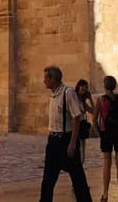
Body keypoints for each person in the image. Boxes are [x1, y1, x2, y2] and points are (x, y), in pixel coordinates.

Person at [39, 65, 92, 202]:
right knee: (48, 179)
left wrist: (73, 143)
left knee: (78, 178)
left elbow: (76, 118)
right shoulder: (53, 94)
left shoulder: (68, 93)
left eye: (46, 77)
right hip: (53, 141)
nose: (44, 81)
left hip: (66, 140)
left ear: (53, 78)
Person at [93, 74, 118, 202]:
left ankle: (105, 194)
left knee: (106, 163)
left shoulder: (100, 100)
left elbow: (94, 119)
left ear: (105, 85)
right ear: (115, 85)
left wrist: (99, 133)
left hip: (106, 133)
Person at [75, 79, 94, 164]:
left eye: (86, 87)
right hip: (75, 126)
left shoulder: (83, 102)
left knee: (82, 147)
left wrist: (90, 99)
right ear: (78, 86)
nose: (84, 88)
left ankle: (81, 162)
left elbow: (93, 111)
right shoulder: (74, 99)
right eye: (82, 86)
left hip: (82, 126)